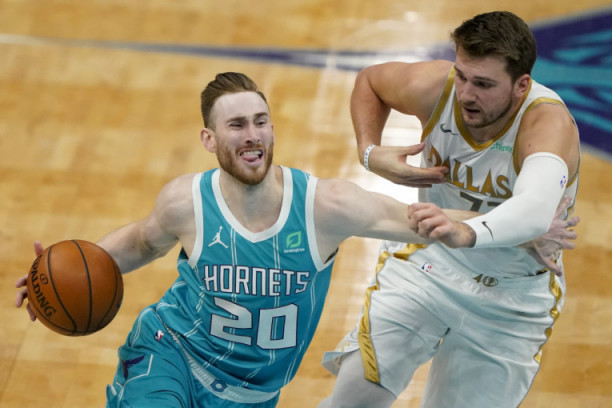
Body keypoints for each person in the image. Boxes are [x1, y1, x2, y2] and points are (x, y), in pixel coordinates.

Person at [14, 72, 489, 408]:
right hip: (170, 353)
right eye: (237, 125)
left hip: (252, 394)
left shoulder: (325, 207)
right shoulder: (186, 201)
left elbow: (419, 220)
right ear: (209, 139)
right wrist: (57, 277)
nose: (252, 135)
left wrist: (511, 228)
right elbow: (140, 242)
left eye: (260, 121)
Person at [319, 11, 580, 408]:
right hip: (427, 264)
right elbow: (370, 81)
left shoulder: (546, 123)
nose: (466, 94)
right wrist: (370, 152)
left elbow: (534, 211)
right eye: (462, 76)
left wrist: (465, 232)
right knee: (352, 402)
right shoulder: (436, 86)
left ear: (521, 85)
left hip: (511, 299)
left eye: (484, 84)